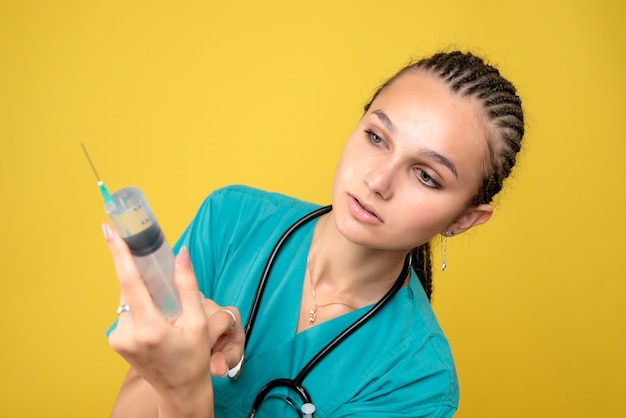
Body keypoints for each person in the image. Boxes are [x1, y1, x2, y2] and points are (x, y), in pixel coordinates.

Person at [103, 50, 524, 417]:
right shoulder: (231, 220)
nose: (379, 179)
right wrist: (172, 360)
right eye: (376, 137)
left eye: (427, 176)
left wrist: (184, 387)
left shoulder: (416, 381)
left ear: (463, 219)